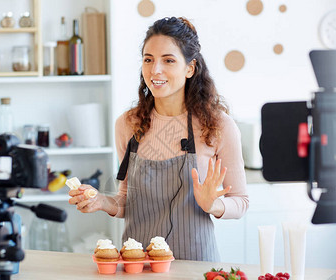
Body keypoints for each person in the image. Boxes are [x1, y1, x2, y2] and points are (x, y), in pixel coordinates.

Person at [68, 16, 249, 261]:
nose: (155, 70)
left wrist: (213, 205)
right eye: (148, 59)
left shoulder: (218, 126)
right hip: (138, 264)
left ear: (190, 68)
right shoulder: (128, 125)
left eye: (168, 60)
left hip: (194, 265)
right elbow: (127, 201)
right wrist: (102, 201)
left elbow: (241, 201)